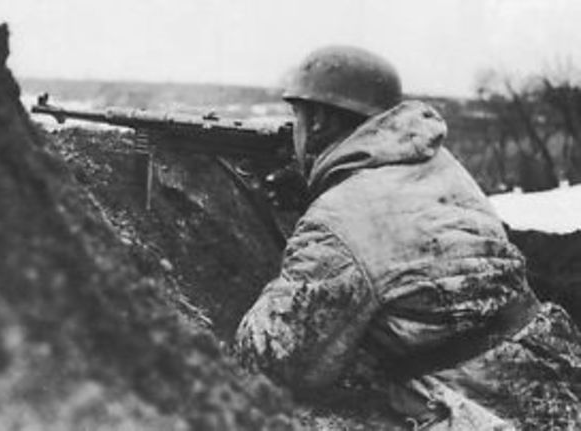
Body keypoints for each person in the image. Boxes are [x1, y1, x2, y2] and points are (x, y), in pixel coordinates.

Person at [235, 46, 581, 429]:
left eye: (296, 117)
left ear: (316, 121)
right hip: (552, 374)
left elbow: (276, 360)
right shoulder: (437, 163)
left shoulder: (337, 219)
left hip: (481, 408)